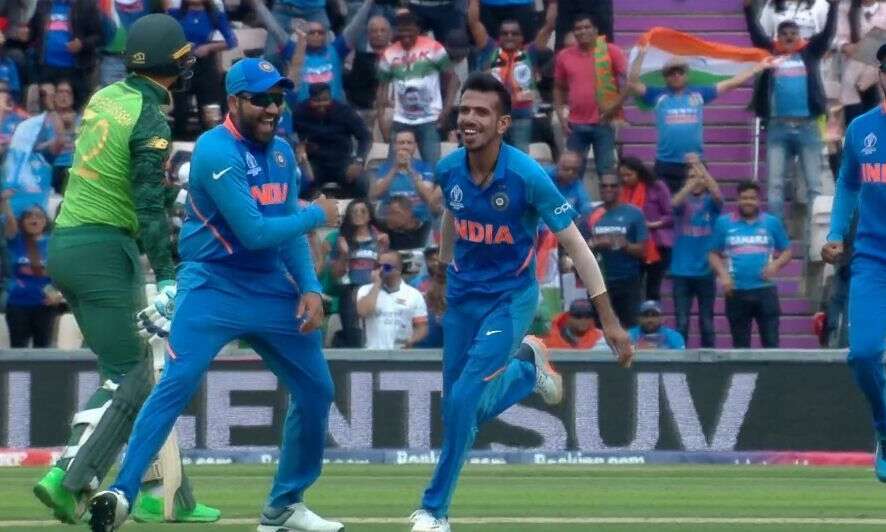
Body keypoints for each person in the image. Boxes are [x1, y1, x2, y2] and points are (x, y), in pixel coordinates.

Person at [87, 57, 343, 532]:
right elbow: (254, 232)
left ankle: (284, 505)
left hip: (269, 284)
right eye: (261, 99)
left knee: (317, 390)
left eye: (278, 98)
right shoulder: (214, 150)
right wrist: (317, 214)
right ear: (234, 101)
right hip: (212, 284)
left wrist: (309, 286)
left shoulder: (282, 153)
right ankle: (121, 492)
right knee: (177, 383)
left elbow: (285, 233)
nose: (273, 108)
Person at [408, 72, 632, 532]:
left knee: (463, 400)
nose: (469, 119)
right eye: (464, 110)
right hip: (463, 296)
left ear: (504, 123)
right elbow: (452, 215)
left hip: (510, 299)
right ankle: (527, 371)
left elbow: (577, 247)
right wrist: (441, 274)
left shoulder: (528, 176)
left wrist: (608, 319)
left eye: (481, 112)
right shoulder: (449, 168)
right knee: (458, 409)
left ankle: (433, 512)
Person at [31, 14, 218, 526]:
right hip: (105, 250)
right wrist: (170, 272)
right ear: (170, 64)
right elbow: (147, 205)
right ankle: (69, 478)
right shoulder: (150, 118)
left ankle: (167, 495)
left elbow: (121, 177)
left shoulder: (105, 96)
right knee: (134, 376)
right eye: (182, 59)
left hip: (68, 243)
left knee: (141, 374)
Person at [822, 41, 886, 484]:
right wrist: (833, 233)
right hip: (873, 259)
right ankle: (884, 428)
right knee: (862, 355)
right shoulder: (862, 129)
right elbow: (847, 184)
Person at [626, 46, 774, 193]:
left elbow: (732, 82)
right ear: (665, 77)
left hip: (695, 162)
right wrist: (641, 54)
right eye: (671, 73)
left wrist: (757, 68)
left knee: (698, 203)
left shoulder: (699, 93)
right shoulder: (657, 95)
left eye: (680, 72)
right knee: (666, 204)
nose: (676, 75)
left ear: (686, 75)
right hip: (665, 163)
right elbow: (632, 83)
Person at [745, 0, 837, 222]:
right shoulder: (770, 53)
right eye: (784, 34)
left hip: (808, 128)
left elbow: (827, 34)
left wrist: (834, 7)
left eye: (793, 34)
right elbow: (756, 35)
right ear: (777, 37)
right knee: (775, 186)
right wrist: (748, 9)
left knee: (814, 186)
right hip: (778, 128)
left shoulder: (811, 52)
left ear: (800, 36)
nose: (789, 37)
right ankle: (778, 235)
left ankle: (814, 238)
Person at [709, 181, 792, 348]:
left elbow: (787, 251)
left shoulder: (771, 222)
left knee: (771, 344)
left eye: (752, 198)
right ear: (738, 200)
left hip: (765, 290)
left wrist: (775, 265)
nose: (748, 202)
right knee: (740, 346)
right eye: (744, 198)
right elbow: (713, 253)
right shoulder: (724, 223)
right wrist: (723, 275)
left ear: (759, 200)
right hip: (736, 291)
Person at [466, 0, 556, 152]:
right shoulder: (490, 49)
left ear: (522, 37)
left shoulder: (530, 52)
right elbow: (474, 22)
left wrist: (553, 3)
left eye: (514, 34)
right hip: (494, 114)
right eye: (505, 33)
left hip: (522, 115)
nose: (509, 37)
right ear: (499, 37)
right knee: (494, 156)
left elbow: (549, 26)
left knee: (520, 157)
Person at [376, 10, 457, 165]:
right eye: (402, 33)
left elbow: (453, 79)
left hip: (429, 118)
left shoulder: (434, 47)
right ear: (397, 31)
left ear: (417, 30)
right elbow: (382, 88)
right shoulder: (389, 53)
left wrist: (446, 110)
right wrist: (381, 119)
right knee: (394, 166)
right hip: (401, 119)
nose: (406, 37)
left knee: (432, 167)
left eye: (410, 33)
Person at [554, 13, 626, 180]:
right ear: (574, 32)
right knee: (571, 175)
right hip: (575, 124)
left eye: (587, 27)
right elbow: (558, 88)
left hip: (604, 122)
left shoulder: (610, 52)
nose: (583, 31)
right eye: (578, 28)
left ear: (596, 30)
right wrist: (560, 114)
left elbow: (628, 82)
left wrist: (614, 108)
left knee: (607, 174)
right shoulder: (564, 56)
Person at [580, 173, 649, 328]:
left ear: (620, 188)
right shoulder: (590, 213)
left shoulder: (634, 214)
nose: (608, 189)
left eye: (613, 186)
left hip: (628, 280)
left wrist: (622, 244)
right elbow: (581, 248)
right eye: (604, 186)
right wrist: (596, 244)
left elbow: (642, 250)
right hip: (599, 281)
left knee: (630, 326)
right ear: (599, 188)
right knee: (599, 327)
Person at [669, 154, 722, 348]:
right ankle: (681, 358)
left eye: (700, 177)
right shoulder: (682, 202)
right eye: (691, 177)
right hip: (681, 272)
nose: (696, 181)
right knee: (682, 322)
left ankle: (709, 359)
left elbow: (717, 194)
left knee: (706, 322)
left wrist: (701, 170)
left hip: (706, 272)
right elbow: (673, 203)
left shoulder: (711, 204)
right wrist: (691, 181)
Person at [168, 0, 239, 138]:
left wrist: (209, 47)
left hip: (205, 66)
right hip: (181, 66)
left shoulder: (215, 15)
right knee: (181, 111)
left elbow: (232, 41)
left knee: (208, 112)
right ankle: (179, 142)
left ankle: (209, 143)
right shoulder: (175, 14)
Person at [293, 82, 372, 198]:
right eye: (316, 101)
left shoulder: (344, 111)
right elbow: (290, 135)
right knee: (298, 181)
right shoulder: (300, 111)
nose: (321, 105)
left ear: (331, 98)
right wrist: (299, 147)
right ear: (310, 100)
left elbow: (365, 136)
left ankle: (352, 206)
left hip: (342, 161)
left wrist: (359, 161)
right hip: (314, 162)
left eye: (325, 100)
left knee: (361, 182)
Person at [330, 198, 389, 348]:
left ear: (370, 215)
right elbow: (336, 274)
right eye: (354, 212)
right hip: (351, 291)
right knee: (353, 336)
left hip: (375, 289)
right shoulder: (342, 240)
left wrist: (383, 249)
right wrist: (344, 254)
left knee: (378, 332)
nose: (358, 214)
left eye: (363, 211)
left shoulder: (380, 239)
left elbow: (389, 268)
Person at [3, 202, 62, 347]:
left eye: (39, 216)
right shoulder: (15, 241)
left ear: (45, 221)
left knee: (43, 350)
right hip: (17, 304)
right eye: (29, 216)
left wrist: (59, 294)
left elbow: (63, 273)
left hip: (45, 305)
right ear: (22, 222)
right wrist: (4, 201)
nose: (34, 219)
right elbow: (9, 220)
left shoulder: (54, 243)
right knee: (18, 349)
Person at [617, 156, 672, 302]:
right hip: (632, 246)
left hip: (656, 245)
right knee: (633, 289)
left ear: (639, 172)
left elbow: (671, 215)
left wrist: (652, 224)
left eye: (629, 175)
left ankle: (652, 315)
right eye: (622, 176)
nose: (625, 179)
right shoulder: (622, 191)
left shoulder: (657, 187)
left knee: (653, 289)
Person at [31, 0, 103, 109]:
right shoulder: (43, 4)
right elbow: (33, 32)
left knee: (76, 111)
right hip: (46, 68)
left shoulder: (86, 4)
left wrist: (82, 44)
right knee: (48, 108)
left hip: (76, 69)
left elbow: (99, 36)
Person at [370, 129, 441, 231]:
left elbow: (428, 197)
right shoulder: (384, 168)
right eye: (401, 143)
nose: (405, 146)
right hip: (392, 218)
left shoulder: (425, 167)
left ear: (415, 146)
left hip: (419, 219)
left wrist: (410, 169)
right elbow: (375, 194)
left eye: (409, 143)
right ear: (394, 146)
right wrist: (394, 168)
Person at [356, 250, 429, 349]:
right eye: (378, 266)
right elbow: (363, 312)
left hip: (401, 352)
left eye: (387, 267)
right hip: (373, 352)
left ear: (398, 270)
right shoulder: (365, 290)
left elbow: (422, 327)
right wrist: (377, 284)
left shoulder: (414, 295)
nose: (381, 270)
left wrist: (412, 339)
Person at [540, 297, 607, 350]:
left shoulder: (601, 338)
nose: (583, 320)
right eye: (578, 316)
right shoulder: (549, 335)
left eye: (588, 316)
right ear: (569, 318)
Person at [546, 150, 592, 216]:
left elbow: (586, 208)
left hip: (569, 221)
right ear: (558, 166)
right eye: (566, 169)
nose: (571, 173)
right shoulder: (544, 177)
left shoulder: (577, 185)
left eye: (575, 170)